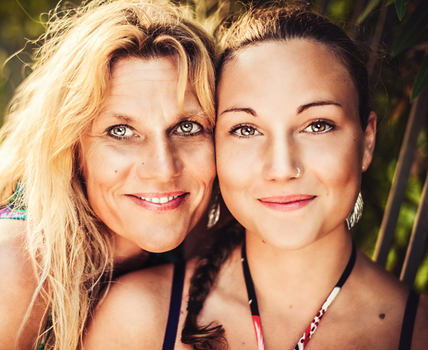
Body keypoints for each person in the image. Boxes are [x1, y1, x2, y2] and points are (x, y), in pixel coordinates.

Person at [83, 6, 428, 350]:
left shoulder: (417, 332)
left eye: (317, 125)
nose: (281, 169)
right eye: (246, 129)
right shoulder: (137, 319)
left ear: (366, 142)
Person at [0, 1, 217, 349]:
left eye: (188, 126)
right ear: (72, 147)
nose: (163, 168)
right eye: (121, 131)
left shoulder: (201, 247)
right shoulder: (14, 263)